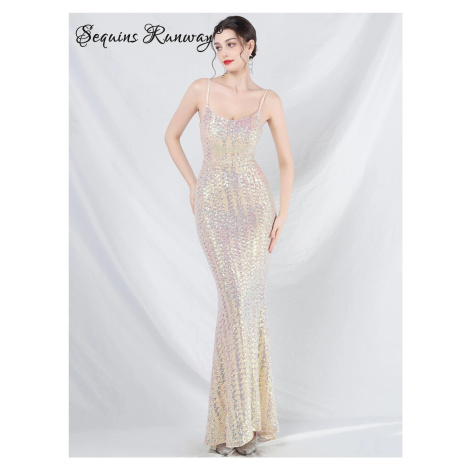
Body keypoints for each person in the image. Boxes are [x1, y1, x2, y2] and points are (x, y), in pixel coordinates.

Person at [164, 16, 294, 456]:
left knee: (246, 308)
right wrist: (192, 184)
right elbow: (171, 136)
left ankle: (236, 426)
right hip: (214, 206)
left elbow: (286, 162)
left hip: (255, 208)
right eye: (218, 45)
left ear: (250, 46)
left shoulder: (268, 100)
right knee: (237, 302)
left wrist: (282, 213)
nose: (223, 52)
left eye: (231, 44)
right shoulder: (201, 89)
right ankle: (238, 424)